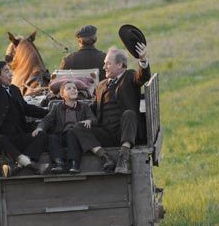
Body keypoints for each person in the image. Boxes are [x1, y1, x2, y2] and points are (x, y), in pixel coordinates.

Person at [0, 35, 48, 170]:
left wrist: (49, 112)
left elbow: (27, 108)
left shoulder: (14, 89)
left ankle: (23, 163)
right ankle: (30, 164)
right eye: (6, 71)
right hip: (4, 140)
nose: (11, 74)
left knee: (42, 135)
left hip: (18, 136)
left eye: (11, 71)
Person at [70, 43, 150, 174]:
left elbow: (143, 77)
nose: (104, 67)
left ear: (119, 65)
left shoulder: (130, 76)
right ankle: (105, 157)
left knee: (129, 114)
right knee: (78, 128)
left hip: (125, 131)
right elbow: (92, 107)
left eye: (107, 64)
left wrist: (142, 60)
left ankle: (124, 158)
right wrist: (74, 107)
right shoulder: (101, 85)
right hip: (106, 132)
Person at [32, 81, 97, 174]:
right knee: (52, 137)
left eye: (75, 88)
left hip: (76, 135)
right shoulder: (57, 107)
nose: (73, 90)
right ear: (63, 94)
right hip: (62, 134)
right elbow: (47, 119)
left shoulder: (84, 106)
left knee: (71, 134)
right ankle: (59, 162)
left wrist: (89, 120)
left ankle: (74, 164)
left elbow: (93, 118)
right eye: (69, 88)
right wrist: (40, 128)